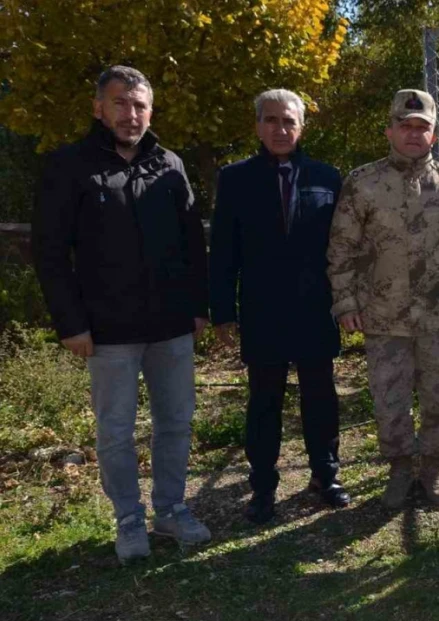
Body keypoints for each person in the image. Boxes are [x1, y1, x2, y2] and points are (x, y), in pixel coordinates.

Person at [32, 66, 210, 562]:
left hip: (171, 325)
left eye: (139, 105)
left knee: (176, 421)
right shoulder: (70, 167)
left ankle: (171, 509)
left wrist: (198, 308)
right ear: (98, 108)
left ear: (150, 111)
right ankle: (129, 520)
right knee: (115, 430)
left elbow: (193, 244)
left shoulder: (169, 164)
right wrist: (71, 323)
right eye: (119, 103)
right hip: (107, 329)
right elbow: (49, 253)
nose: (130, 114)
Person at [327, 89, 439, 509]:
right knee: (389, 398)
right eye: (406, 126)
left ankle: (432, 470)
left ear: (434, 135)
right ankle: (399, 471)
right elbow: (342, 247)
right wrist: (345, 304)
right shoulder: (363, 184)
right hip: (383, 315)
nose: (414, 134)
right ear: (390, 131)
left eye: (423, 127)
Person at [209, 89, 348, 525]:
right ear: (257, 126)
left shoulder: (328, 177)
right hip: (262, 311)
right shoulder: (235, 179)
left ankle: (325, 475)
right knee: (264, 400)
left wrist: (346, 302)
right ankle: (263, 487)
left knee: (320, 396)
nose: (280, 129)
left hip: (315, 310)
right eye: (271, 120)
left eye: (289, 121)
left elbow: (343, 248)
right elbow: (223, 252)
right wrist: (223, 312)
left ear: (301, 126)